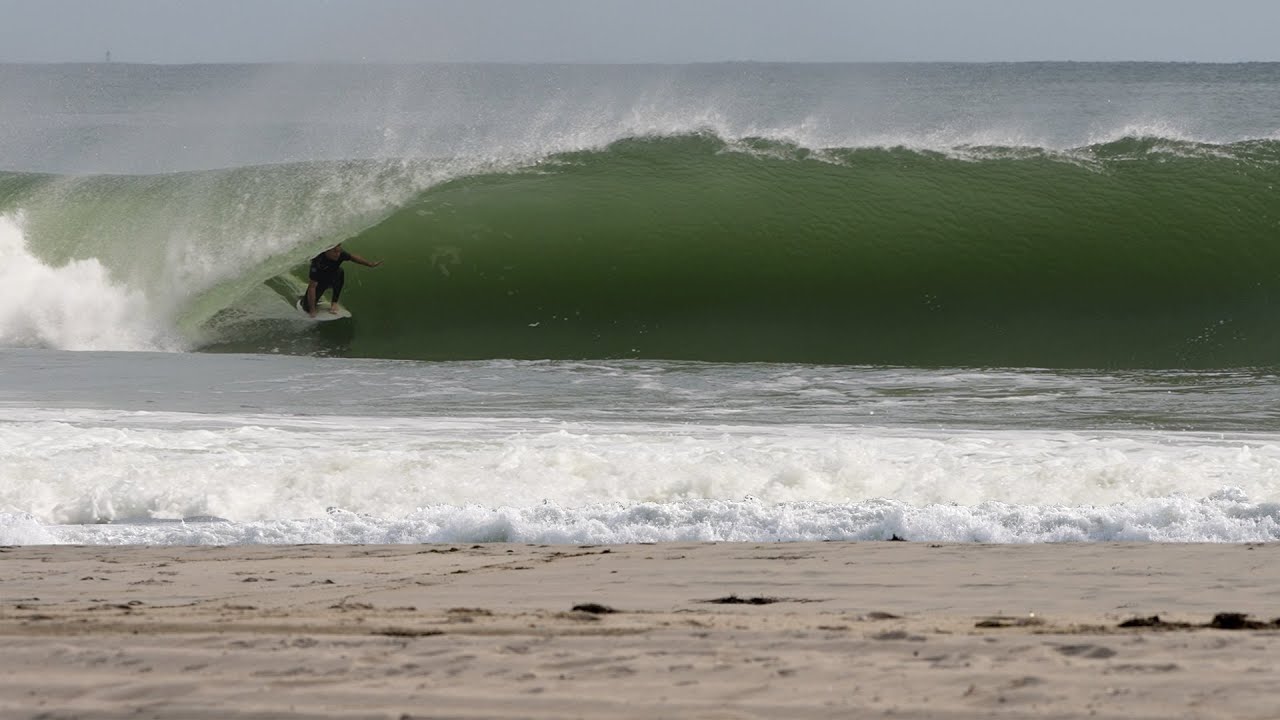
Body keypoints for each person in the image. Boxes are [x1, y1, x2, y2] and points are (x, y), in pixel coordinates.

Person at [301, 244, 382, 316]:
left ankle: (334, 302)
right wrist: (312, 310)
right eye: (335, 252)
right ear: (326, 251)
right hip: (320, 281)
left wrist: (370, 264)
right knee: (307, 308)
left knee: (340, 272)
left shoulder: (340, 253)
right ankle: (307, 300)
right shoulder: (317, 262)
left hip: (333, 276)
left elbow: (353, 257)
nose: (338, 254)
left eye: (339, 251)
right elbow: (312, 287)